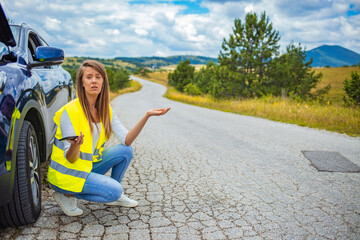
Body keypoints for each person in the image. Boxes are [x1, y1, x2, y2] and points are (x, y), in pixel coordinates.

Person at [47, 60, 170, 216]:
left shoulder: (105, 110)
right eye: (89, 77)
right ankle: (66, 194)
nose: (94, 81)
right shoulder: (69, 112)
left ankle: (112, 194)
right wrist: (75, 145)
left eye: (98, 77)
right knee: (115, 191)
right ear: (82, 83)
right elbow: (70, 159)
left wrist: (147, 115)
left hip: (86, 168)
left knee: (125, 150)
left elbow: (126, 140)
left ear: (103, 82)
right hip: (67, 175)